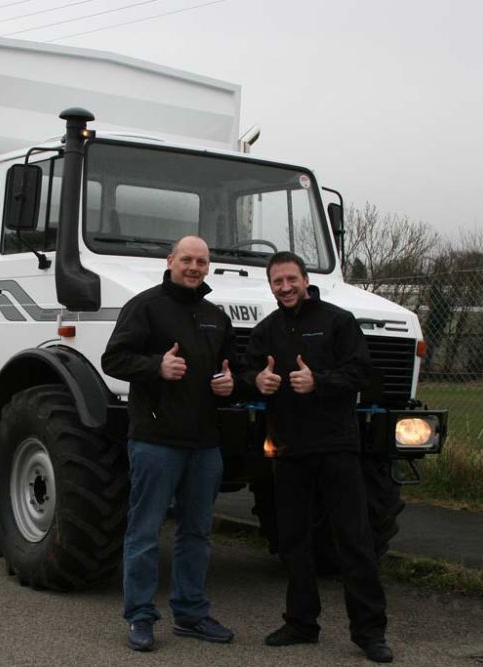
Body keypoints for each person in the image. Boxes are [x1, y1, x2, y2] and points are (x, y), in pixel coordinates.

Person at [240, 251, 393, 663]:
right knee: (294, 541)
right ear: (270, 286)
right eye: (277, 282)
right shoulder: (267, 330)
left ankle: (369, 632)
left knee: (354, 541)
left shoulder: (337, 321)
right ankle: (301, 622)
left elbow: (362, 373)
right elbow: (245, 372)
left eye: (291, 280)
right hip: (288, 449)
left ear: (306, 280)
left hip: (337, 448)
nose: (286, 288)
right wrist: (259, 380)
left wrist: (319, 381)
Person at [102, 235, 236, 652]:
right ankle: (140, 617)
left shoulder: (216, 316)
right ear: (171, 261)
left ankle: (191, 614)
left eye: (201, 261)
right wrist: (156, 366)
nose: (194, 267)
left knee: (196, 533)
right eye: (187, 260)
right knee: (144, 532)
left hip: (204, 444)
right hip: (156, 440)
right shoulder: (145, 307)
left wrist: (233, 382)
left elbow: (236, 367)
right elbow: (113, 359)